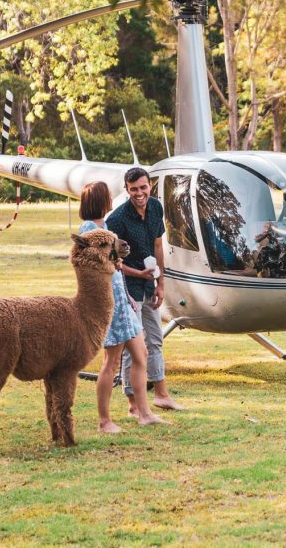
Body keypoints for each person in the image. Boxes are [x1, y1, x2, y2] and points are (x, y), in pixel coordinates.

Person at [78, 181, 166, 433]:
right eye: (107, 196)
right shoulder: (88, 230)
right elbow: (91, 266)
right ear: (99, 201)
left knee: (141, 355)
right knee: (111, 361)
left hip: (123, 301)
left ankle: (144, 413)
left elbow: (114, 266)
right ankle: (104, 421)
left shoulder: (103, 227)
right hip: (111, 305)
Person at [106, 167, 184, 412]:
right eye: (133, 189)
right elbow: (112, 262)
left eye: (143, 187)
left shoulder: (156, 208)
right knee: (133, 345)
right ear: (127, 190)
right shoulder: (116, 220)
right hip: (129, 286)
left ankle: (161, 394)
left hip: (150, 283)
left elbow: (158, 246)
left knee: (155, 339)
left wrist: (160, 283)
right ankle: (132, 403)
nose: (139, 193)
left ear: (149, 186)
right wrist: (139, 274)